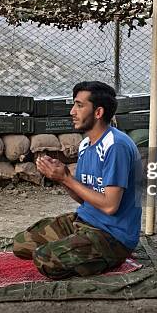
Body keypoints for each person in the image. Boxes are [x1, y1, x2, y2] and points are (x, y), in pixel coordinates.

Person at [13, 81, 143, 279]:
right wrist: (60, 177)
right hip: (84, 221)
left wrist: (66, 177)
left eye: (79, 105)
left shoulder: (115, 146)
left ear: (98, 112)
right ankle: (78, 246)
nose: (72, 111)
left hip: (112, 237)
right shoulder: (85, 145)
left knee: (44, 259)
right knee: (21, 244)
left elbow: (110, 206)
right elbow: (84, 197)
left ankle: (108, 258)